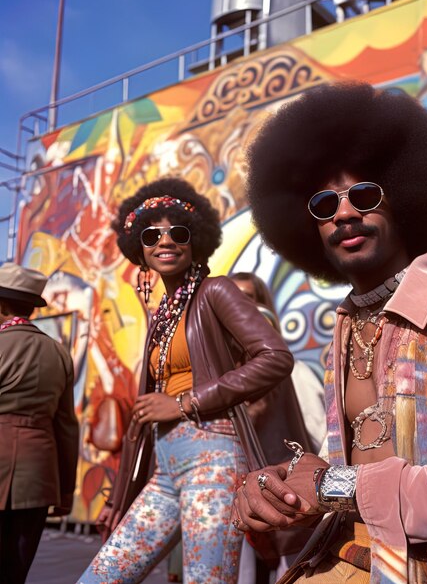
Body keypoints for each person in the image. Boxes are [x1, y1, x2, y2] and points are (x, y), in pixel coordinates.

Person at [232, 82, 427, 583]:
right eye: (322, 205)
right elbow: (347, 471)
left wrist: (333, 485)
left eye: (363, 194)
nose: (343, 212)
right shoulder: (345, 323)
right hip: (342, 558)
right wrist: (285, 487)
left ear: (405, 197)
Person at [78, 177, 294, 583]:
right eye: (151, 235)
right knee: (100, 576)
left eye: (178, 232)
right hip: (166, 463)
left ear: (194, 239)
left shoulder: (217, 292)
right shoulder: (164, 314)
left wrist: (183, 403)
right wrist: (120, 496)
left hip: (211, 456)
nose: (166, 241)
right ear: (139, 249)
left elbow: (275, 357)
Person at [0, 262, 78, 584]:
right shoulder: (58, 352)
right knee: (15, 572)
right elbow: (67, 428)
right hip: (39, 475)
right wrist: (65, 492)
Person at [230, 271, 327, 453]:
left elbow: (320, 436)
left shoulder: (294, 373)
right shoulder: (218, 373)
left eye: (246, 297)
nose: (237, 305)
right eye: (230, 297)